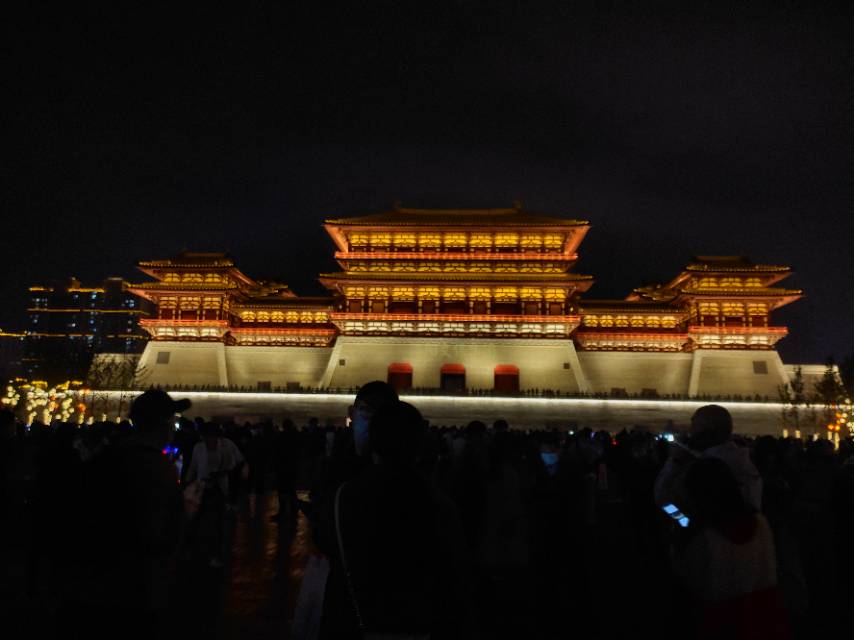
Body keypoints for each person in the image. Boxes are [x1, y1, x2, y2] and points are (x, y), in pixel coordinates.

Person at [318, 401, 470, 638]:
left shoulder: (342, 497)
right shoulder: (439, 504)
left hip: (355, 623)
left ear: (373, 441)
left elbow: (326, 548)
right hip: (416, 626)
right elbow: (453, 581)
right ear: (419, 445)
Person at [58, 389, 195, 638]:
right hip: (138, 583)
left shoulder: (108, 456)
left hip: (97, 580)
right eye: (171, 422)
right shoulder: (155, 466)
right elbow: (157, 529)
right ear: (163, 425)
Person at [673, 458, 787, 639]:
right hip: (764, 613)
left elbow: (690, 580)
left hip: (719, 619)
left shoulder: (701, 534)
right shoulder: (760, 522)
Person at [655, 405, 762, 511]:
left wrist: (676, 461)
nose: (690, 431)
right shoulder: (743, 463)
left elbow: (663, 500)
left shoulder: (706, 466)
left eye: (694, 425)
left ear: (709, 429)